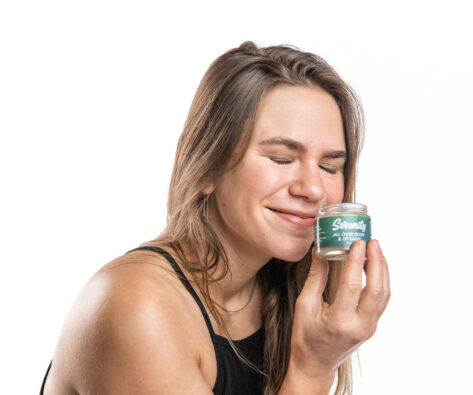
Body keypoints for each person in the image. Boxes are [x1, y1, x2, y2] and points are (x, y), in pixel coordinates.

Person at [40, 41, 390, 395]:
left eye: (330, 166)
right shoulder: (141, 309)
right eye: (281, 159)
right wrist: (312, 369)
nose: (314, 189)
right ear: (208, 167)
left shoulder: (282, 294)